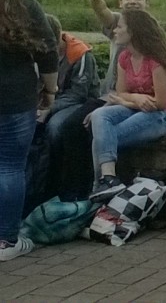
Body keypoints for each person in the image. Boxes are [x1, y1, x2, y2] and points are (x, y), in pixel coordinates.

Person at [85, 9, 166, 201]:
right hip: (134, 106)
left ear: (133, 31)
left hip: (162, 114)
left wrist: (125, 100)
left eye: (119, 27)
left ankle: (101, 186)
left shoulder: (156, 61)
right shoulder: (125, 58)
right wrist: (134, 99)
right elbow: (121, 92)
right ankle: (109, 179)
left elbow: (161, 102)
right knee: (99, 116)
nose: (115, 31)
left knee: (104, 137)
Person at [0, 0, 58, 262]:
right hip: (15, 98)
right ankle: (7, 240)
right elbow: (47, 54)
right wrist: (51, 90)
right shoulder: (26, 7)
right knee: (10, 166)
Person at [37, 14, 100, 201]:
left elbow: (78, 93)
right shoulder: (35, 51)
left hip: (79, 102)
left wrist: (49, 109)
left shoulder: (80, 55)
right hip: (47, 100)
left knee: (55, 127)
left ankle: (55, 182)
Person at [87, 0, 150, 95]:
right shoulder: (117, 21)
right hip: (112, 92)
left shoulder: (154, 29)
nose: (133, 1)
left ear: (147, 3)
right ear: (120, 3)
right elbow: (102, 11)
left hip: (143, 95)